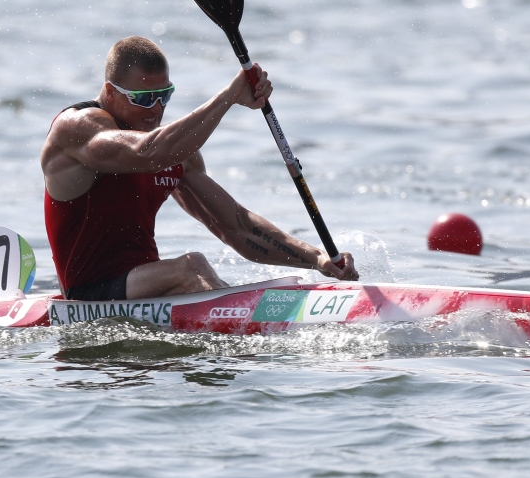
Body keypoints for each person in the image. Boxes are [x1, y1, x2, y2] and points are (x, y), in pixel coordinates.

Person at [40, 36, 357, 301]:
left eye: (164, 95)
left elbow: (235, 227)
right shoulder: (77, 128)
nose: (157, 109)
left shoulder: (176, 150)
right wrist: (230, 97)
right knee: (193, 266)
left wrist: (315, 258)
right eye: (145, 98)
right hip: (88, 295)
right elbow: (146, 153)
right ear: (110, 92)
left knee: (195, 271)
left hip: (146, 288)